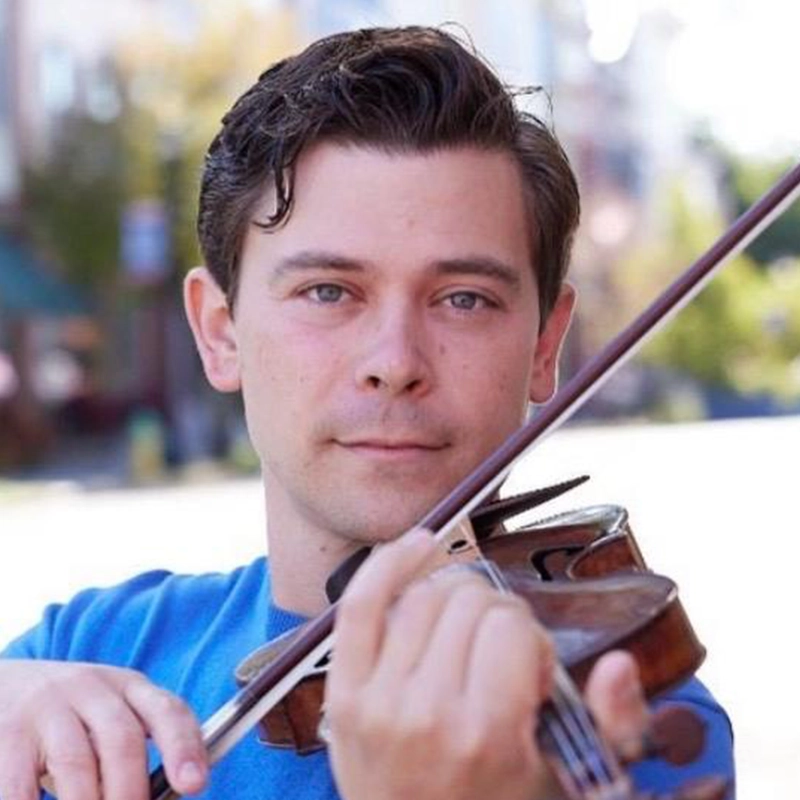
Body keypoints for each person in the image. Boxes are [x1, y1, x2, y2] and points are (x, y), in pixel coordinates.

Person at [0, 25, 733, 800]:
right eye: (328, 292)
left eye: (464, 299)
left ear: (547, 342)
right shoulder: (89, 651)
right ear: (221, 333)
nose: (395, 362)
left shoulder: (636, 706)